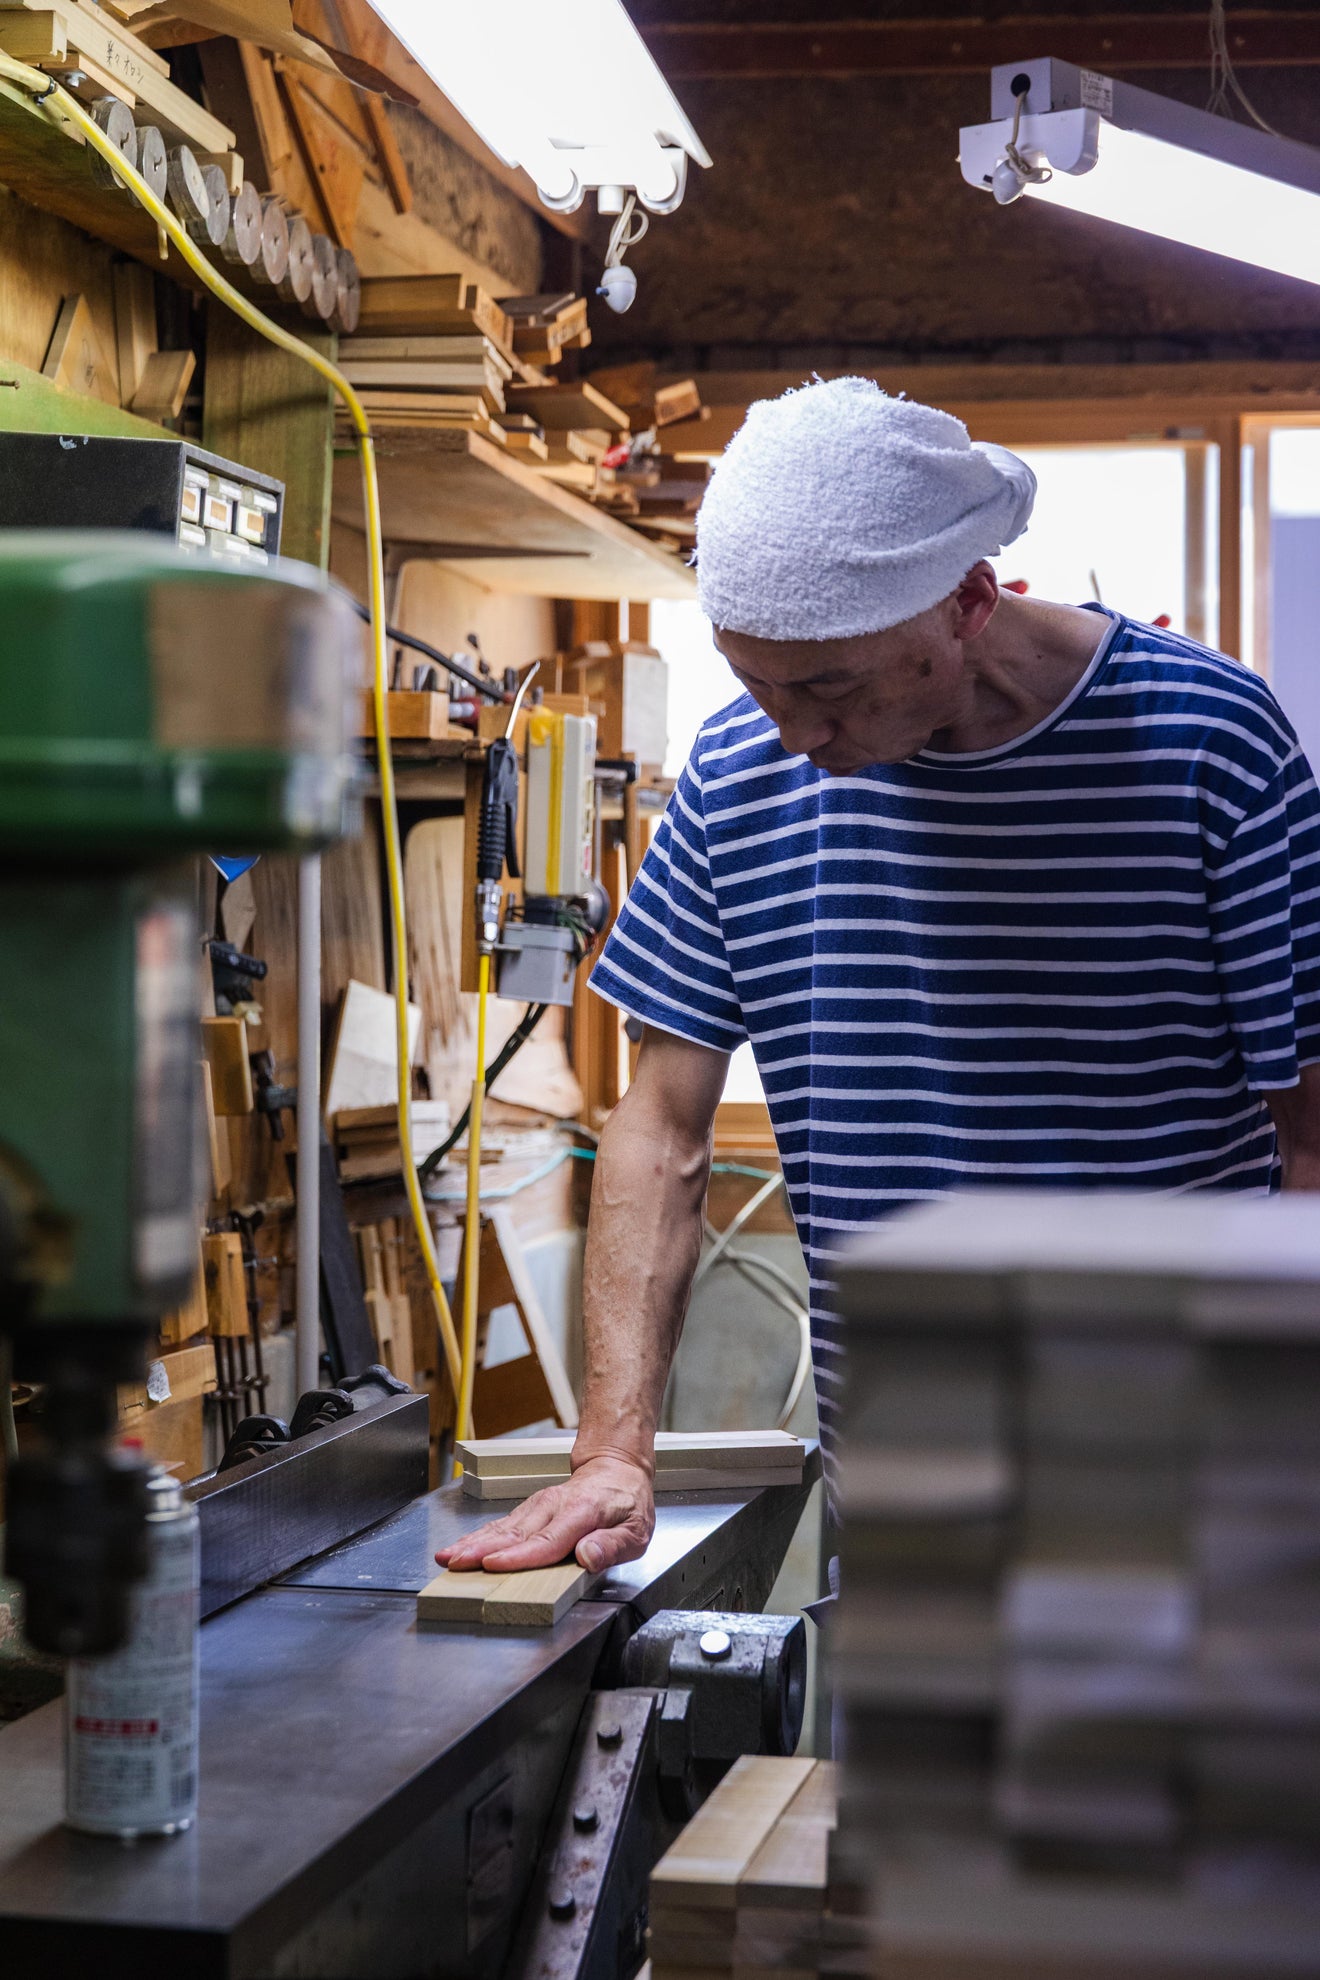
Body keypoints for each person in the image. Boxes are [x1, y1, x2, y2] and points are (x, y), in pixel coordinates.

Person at [437, 376, 1320, 1581]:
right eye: (756, 682)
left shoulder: (1208, 742)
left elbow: (1310, 1135)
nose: (794, 732)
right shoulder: (741, 775)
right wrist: (613, 1451)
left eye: (831, 687)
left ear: (966, 601)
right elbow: (658, 1127)